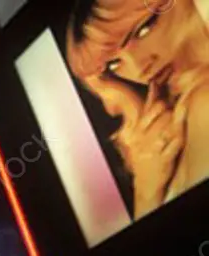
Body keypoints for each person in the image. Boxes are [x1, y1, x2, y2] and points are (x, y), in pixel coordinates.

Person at [66, 0, 209, 218]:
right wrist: (146, 188)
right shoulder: (174, 118)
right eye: (114, 64)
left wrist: (146, 193)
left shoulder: (203, 102)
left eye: (143, 30)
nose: (140, 68)